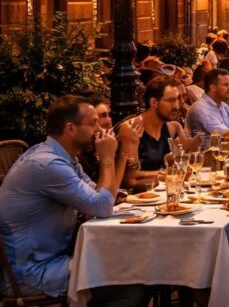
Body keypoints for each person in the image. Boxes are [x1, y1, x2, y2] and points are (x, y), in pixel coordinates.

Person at [0, 96, 144, 305]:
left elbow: (102, 195)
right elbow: (102, 206)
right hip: (32, 273)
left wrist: (118, 156)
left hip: (53, 259)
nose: (100, 129)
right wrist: (106, 157)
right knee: (130, 280)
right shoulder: (48, 165)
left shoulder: (65, 158)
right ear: (70, 128)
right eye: (93, 123)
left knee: (135, 264)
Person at [126, 77, 194, 187]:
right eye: (171, 101)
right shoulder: (132, 127)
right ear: (154, 102)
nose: (176, 106)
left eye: (177, 100)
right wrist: (166, 174)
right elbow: (130, 178)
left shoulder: (170, 126)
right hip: (139, 199)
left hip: (165, 192)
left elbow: (183, 159)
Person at [186, 68, 229, 137]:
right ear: (213, 87)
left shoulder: (224, 105)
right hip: (206, 148)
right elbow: (228, 134)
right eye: (225, 85)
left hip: (228, 147)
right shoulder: (200, 109)